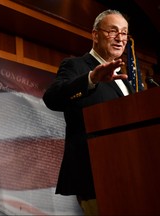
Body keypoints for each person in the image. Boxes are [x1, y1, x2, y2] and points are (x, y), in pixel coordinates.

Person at [42, 9, 135, 215]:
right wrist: (91, 79)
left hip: (131, 172)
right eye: (112, 31)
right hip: (95, 175)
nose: (120, 38)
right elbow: (52, 97)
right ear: (95, 34)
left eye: (124, 33)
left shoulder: (125, 82)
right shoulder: (76, 66)